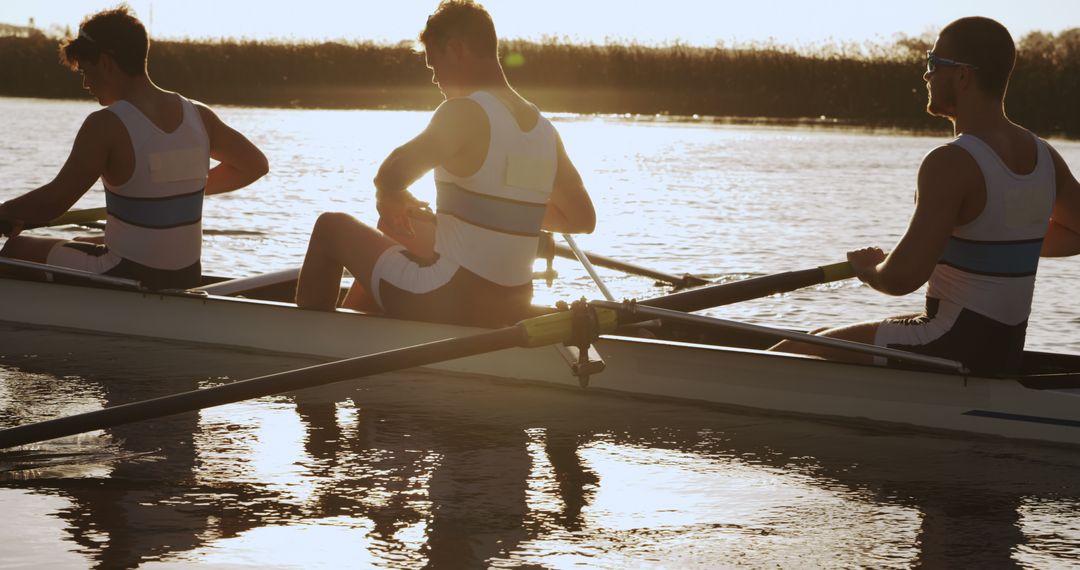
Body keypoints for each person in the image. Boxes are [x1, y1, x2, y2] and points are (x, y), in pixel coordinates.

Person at [772, 17, 1080, 374]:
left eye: (934, 63)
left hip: (948, 346)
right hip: (1002, 353)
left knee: (797, 347)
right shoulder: (1045, 157)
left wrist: (867, 269)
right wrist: (999, 239)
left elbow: (900, 279)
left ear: (963, 75)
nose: (926, 75)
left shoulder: (949, 162)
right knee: (821, 334)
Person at [295, 0, 595, 326]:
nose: (435, 79)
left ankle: (308, 341)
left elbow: (393, 172)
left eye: (433, 64)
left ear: (456, 49)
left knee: (331, 227)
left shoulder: (464, 111)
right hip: (514, 305)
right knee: (413, 229)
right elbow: (581, 218)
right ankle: (361, 327)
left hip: (448, 299)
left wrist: (387, 195)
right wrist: (511, 207)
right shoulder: (545, 132)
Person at [0, 6, 268, 290]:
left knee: (17, 250)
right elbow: (255, 165)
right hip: (186, 275)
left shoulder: (106, 124)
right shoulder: (198, 115)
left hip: (128, 275)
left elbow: (54, 202)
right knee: (80, 242)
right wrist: (174, 190)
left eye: (85, 70)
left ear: (105, 63)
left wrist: (5, 211)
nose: (85, 82)